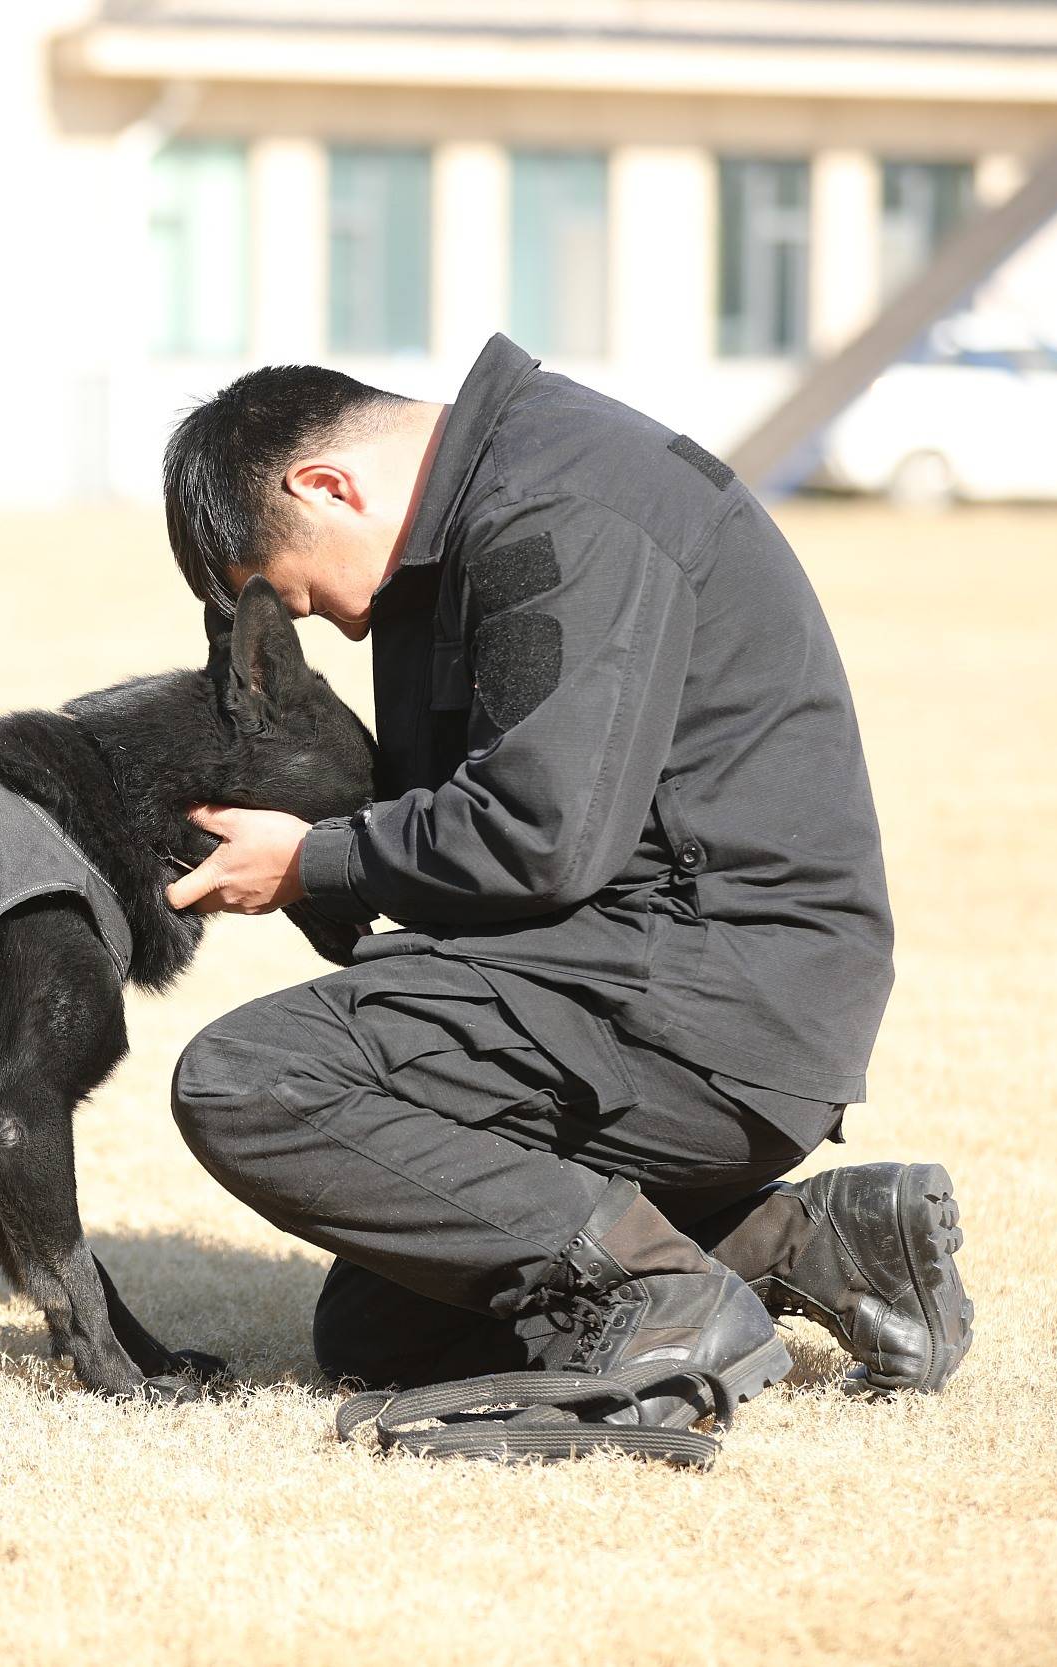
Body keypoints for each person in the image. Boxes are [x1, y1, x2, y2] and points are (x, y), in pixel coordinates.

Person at [161, 335, 970, 1422]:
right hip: (647, 970)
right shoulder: (463, 526)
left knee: (247, 1078)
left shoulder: (562, 510)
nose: (329, 622)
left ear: (324, 485)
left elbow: (540, 836)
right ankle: (810, 1240)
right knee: (379, 1329)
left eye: (294, 595)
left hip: (708, 992)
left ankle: (658, 1294)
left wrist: (311, 863)